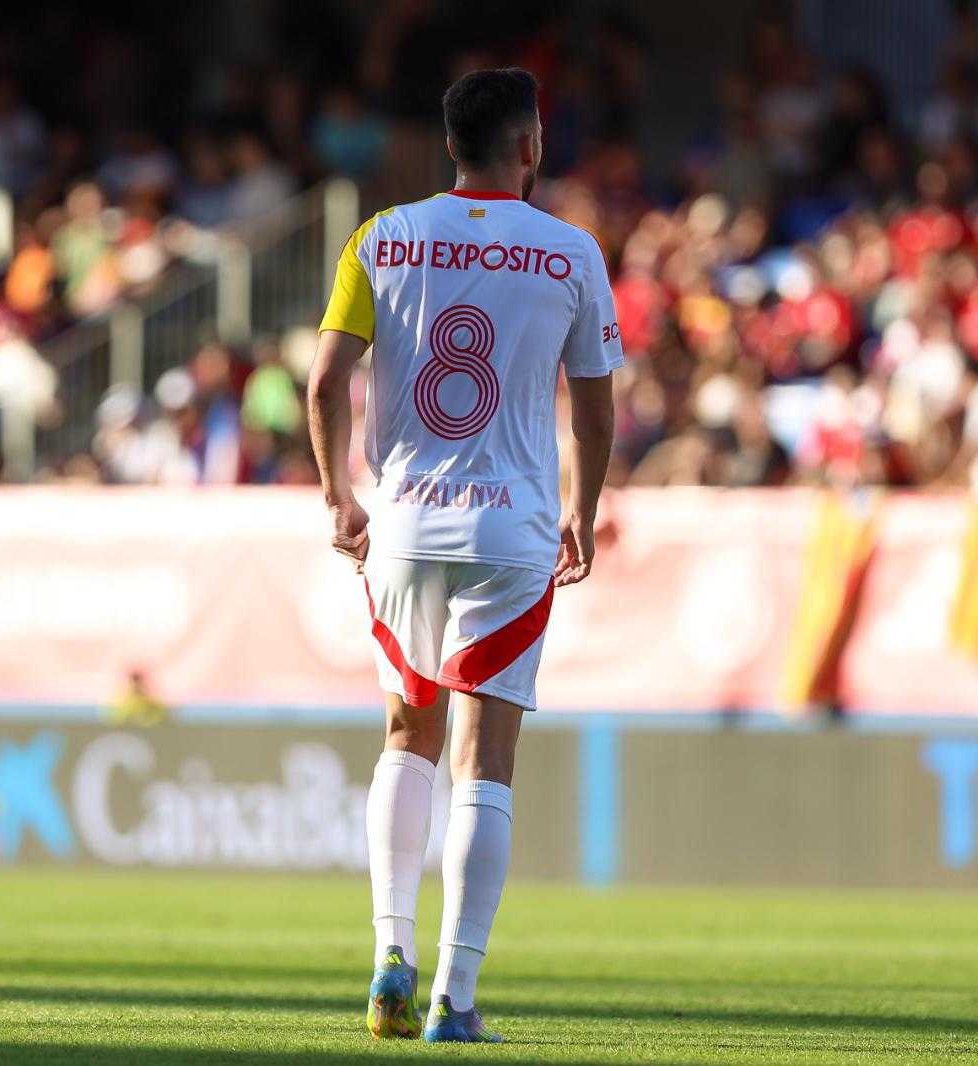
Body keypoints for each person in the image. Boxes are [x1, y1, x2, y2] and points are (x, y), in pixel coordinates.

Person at [307, 67, 622, 1044]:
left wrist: (339, 496)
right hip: (509, 531)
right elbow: (594, 409)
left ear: (451, 145)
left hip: (404, 528)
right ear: (529, 146)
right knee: (485, 762)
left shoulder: (382, 237)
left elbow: (324, 383)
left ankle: (388, 954)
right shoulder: (570, 252)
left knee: (407, 737)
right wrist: (582, 509)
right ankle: (455, 995)